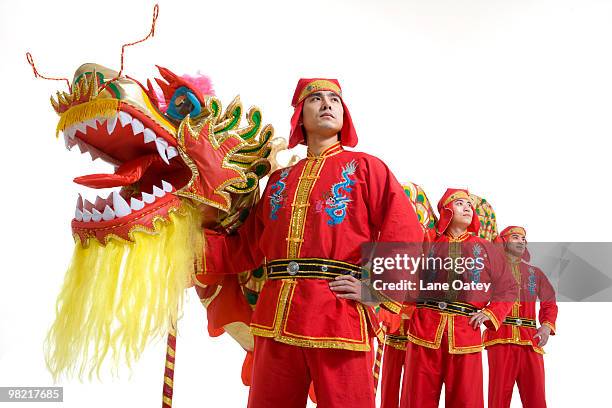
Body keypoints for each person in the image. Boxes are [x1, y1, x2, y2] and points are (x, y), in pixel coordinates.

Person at [200, 78, 424, 408]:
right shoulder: (279, 180)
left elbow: (406, 232)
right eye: (315, 99)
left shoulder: (365, 168)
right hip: (276, 318)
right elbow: (246, 248)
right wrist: (185, 246)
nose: (327, 104)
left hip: (340, 316)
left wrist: (376, 288)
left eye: (335, 99)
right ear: (299, 118)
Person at [400, 188, 518, 408]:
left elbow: (509, 287)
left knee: (467, 401)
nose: (467, 208)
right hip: (425, 330)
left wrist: (490, 312)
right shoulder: (429, 241)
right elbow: (403, 273)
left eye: (469, 205)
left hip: (466, 332)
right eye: (460, 203)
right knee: (416, 399)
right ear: (446, 210)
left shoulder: (485, 248)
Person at [484, 226, 558, 408]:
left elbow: (549, 300)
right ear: (504, 241)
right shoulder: (491, 270)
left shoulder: (535, 273)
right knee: (498, 397)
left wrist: (546, 326)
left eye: (523, 238)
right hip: (500, 338)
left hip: (530, 340)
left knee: (536, 398)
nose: (521, 241)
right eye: (515, 237)